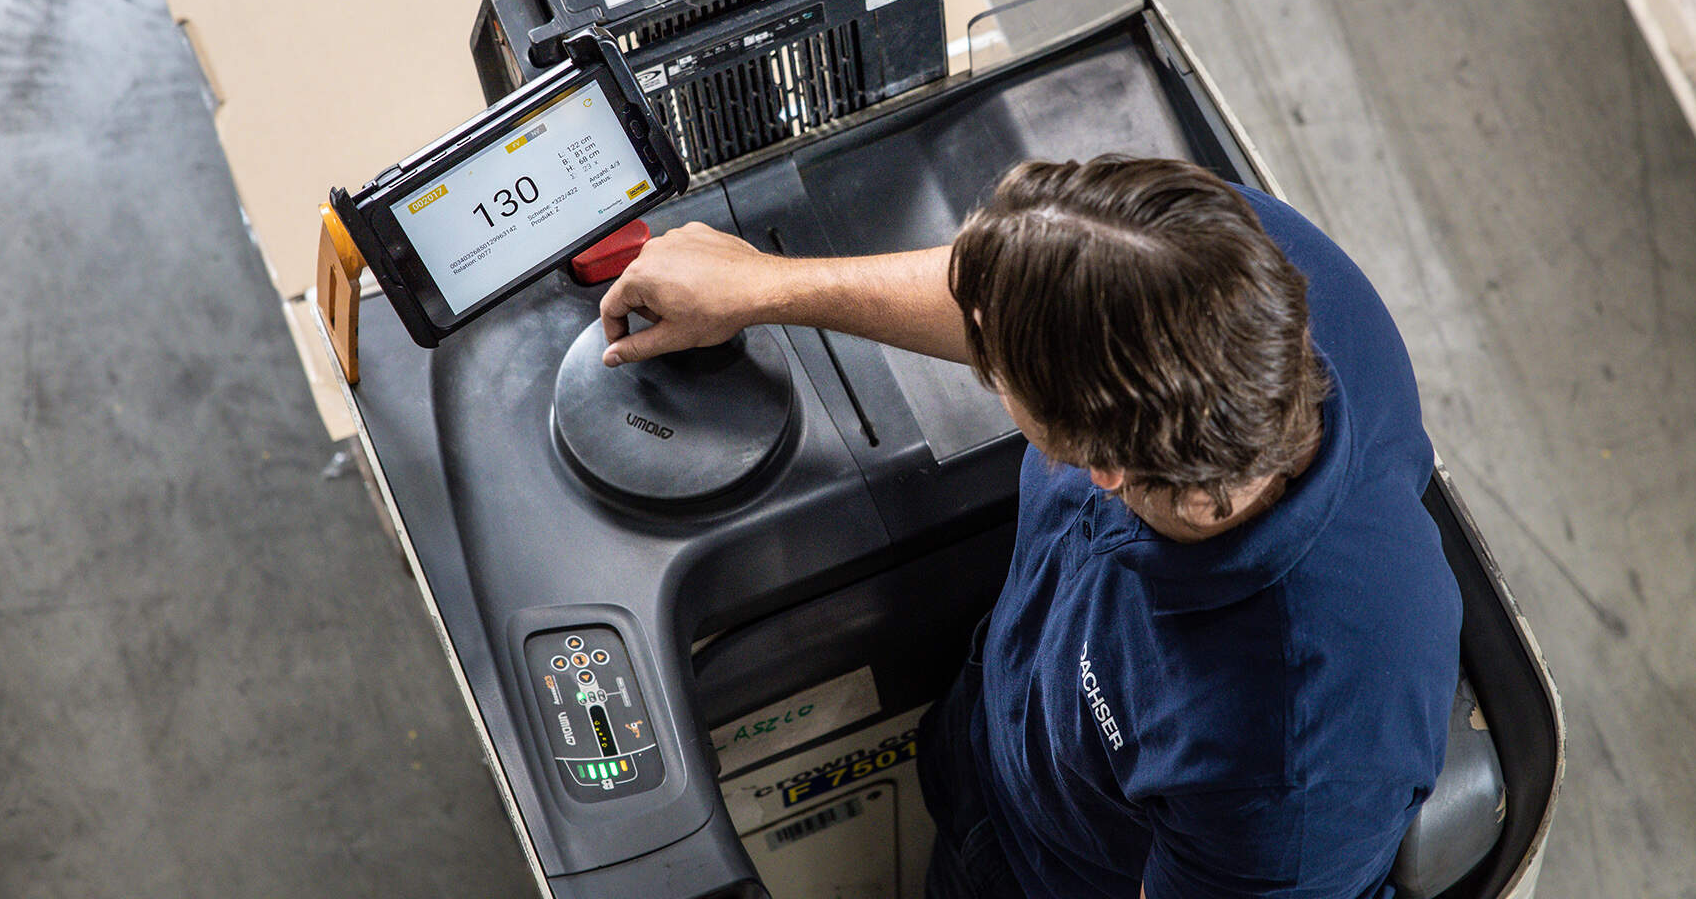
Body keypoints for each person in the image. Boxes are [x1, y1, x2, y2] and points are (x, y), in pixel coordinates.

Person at [598, 155, 1462, 899]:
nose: (974, 343)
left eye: (994, 369)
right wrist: (764, 285)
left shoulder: (1293, 758)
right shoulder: (1225, 259)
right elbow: (1012, 299)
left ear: (1106, 466)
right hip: (997, 740)